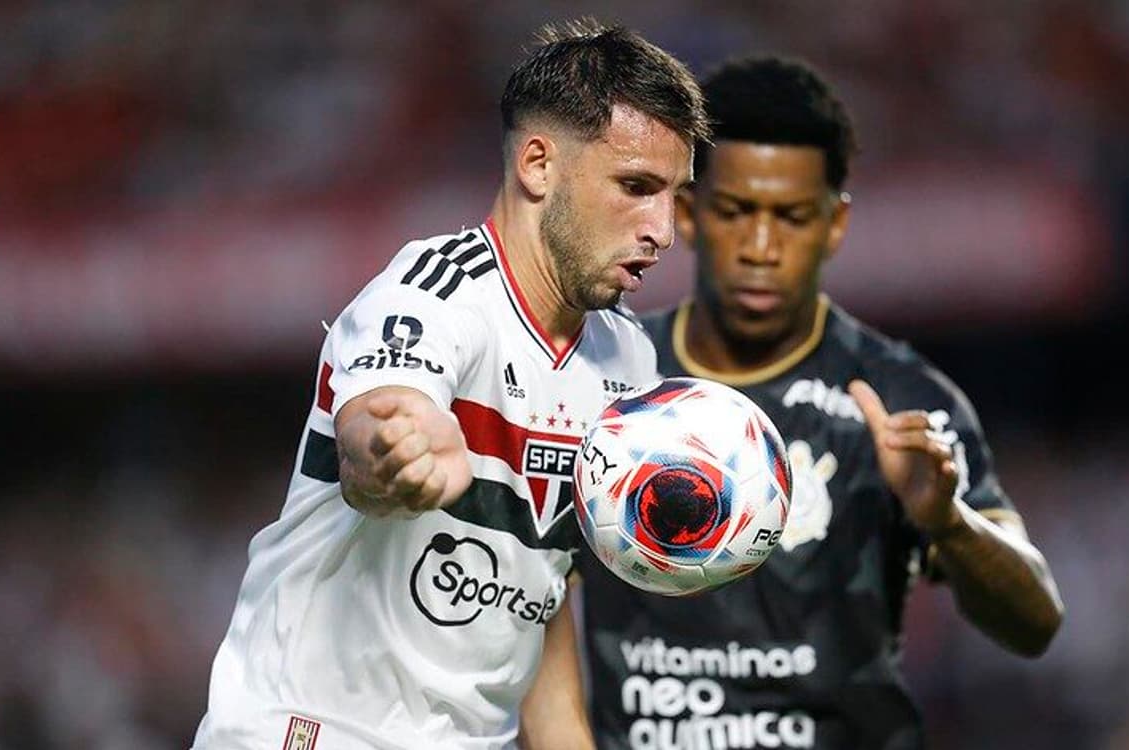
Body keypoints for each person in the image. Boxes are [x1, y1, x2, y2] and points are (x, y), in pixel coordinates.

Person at [191, 20, 708, 750]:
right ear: (538, 164)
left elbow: (544, 593)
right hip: (311, 734)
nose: (662, 229)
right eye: (636, 187)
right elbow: (373, 434)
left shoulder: (628, 366)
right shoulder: (434, 294)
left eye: (673, 196)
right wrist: (403, 452)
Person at [577, 56, 1065, 750]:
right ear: (686, 212)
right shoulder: (607, 380)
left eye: (793, 218)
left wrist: (948, 523)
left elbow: (1036, 622)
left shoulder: (900, 399)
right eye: (736, 212)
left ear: (835, 226)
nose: (762, 247)